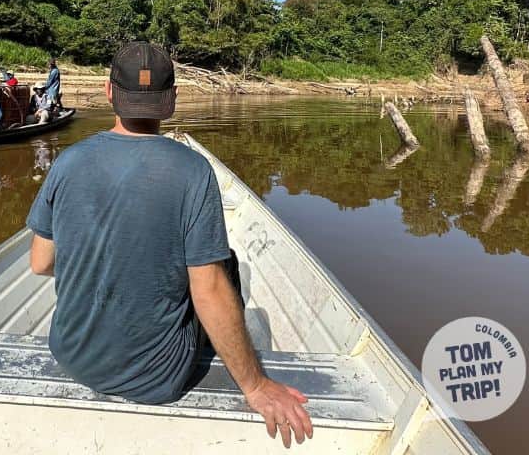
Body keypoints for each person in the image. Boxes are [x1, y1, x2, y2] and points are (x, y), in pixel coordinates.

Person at [25, 42, 313, 449]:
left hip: (71, 357)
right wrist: (255, 385)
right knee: (222, 266)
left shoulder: (68, 161)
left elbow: (41, 263)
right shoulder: (193, 170)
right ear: (172, 100)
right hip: (157, 378)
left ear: (109, 93)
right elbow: (208, 288)